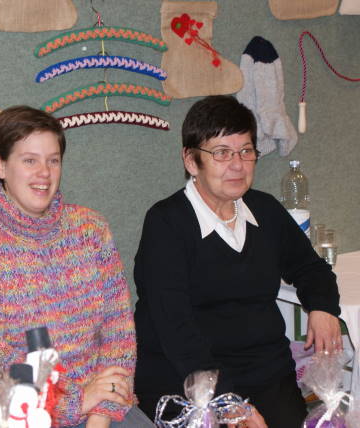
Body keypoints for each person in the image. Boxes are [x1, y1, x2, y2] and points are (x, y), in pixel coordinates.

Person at [133, 96, 341, 428]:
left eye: (246, 151)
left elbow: (310, 267)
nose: (238, 165)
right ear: (191, 160)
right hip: (187, 379)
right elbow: (176, 329)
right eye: (221, 153)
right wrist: (227, 401)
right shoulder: (166, 223)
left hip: (264, 373)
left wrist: (323, 307)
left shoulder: (265, 210)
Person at [0, 106, 151, 428]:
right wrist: (75, 402)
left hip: (107, 407)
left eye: (53, 160)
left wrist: (100, 413)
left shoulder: (91, 230)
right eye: (30, 161)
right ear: (1, 165)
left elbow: (118, 333)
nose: (44, 173)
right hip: (26, 414)